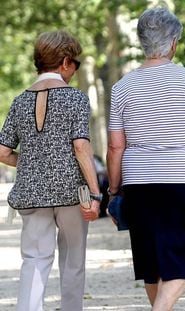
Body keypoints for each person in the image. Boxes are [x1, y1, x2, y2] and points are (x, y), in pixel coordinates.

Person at [106, 7, 185, 311]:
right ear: (174, 42)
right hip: (183, 181)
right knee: (180, 260)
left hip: (139, 184)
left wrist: (114, 191)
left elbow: (115, 147)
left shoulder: (121, 87)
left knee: (151, 262)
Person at [0, 30, 101, 311]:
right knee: (73, 262)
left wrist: (33, 161)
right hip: (72, 194)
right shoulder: (76, 99)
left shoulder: (19, 102)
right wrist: (95, 192)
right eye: (76, 64)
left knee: (34, 260)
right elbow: (81, 147)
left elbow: (2, 152)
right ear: (65, 62)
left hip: (31, 194)